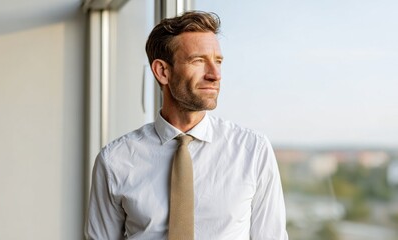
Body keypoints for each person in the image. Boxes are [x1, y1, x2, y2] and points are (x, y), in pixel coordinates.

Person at [85, 11, 288, 240]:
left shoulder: (253, 151)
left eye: (218, 61)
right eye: (198, 61)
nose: (215, 74)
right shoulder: (115, 160)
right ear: (163, 71)